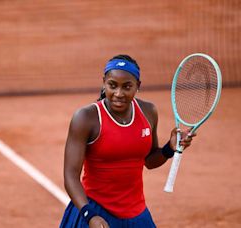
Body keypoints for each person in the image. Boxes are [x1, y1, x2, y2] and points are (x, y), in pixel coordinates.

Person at [60, 54, 195, 228]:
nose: (119, 93)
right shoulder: (86, 118)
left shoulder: (148, 112)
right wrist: (89, 215)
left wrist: (169, 148)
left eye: (127, 86)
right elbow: (70, 175)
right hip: (94, 211)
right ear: (104, 83)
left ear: (138, 86)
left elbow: (149, 161)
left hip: (137, 215)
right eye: (112, 85)